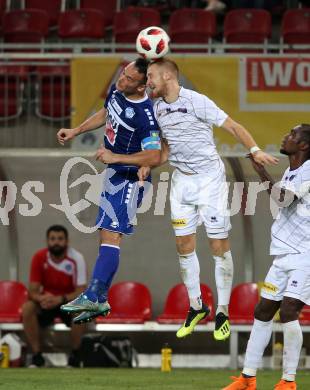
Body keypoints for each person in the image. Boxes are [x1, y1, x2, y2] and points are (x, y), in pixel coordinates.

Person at [142, 58, 278, 341]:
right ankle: (196, 306)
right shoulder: (155, 107)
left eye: (152, 75)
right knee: (183, 244)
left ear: (168, 75)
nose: (148, 81)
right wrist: (148, 165)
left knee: (218, 246)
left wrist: (254, 150)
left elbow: (233, 126)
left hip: (209, 180)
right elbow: (166, 150)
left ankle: (223, 311)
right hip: (181, 180)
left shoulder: (196, 101)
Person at [56, 58, 161, 324]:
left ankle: (94, 295)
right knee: (105, 236)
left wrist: (115, 157)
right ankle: (98, 297)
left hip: (129, 179)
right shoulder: (118, 91)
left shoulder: (145, 115)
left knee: (111, 237)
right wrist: (77, 130)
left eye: (128, 79)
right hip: (113, 176)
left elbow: (153, 155)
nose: (121, 80)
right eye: (122, 74)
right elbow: (106, 113)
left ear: (141, 87)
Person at [223, 124, 310, 390]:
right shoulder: (290, 170)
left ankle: (288, 380)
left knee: (288, 312)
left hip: (305, 255)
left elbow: (282, 200)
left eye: (293, 135)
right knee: (262, 311)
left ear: (305, 145)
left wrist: (260, 171)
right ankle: (248, 378)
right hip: (283, 254)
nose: (286, 136)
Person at [22, 225, 87, 367]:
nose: (56, 242)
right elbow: (32, 291)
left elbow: (81, 290)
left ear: (67, 241)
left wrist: (60, 299)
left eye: (60, 239)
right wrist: (42, 298)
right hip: (46, 302)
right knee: (27, 308)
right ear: (47, 241)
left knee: (83, 309)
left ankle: (75, 355)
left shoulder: (77, 258)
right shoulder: (39, 257)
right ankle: (37, 356)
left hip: (68, 302)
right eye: (52, 239)